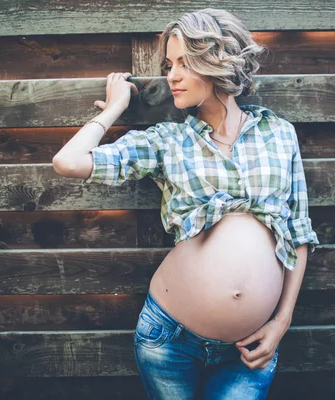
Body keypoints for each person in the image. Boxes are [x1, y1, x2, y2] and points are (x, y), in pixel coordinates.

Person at [52, 8, 319, 400]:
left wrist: (282, 322)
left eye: (184, 63)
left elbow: (297, 231)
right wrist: (114, 108)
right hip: (169, 339)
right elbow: (67, 162)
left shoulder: (279, 133)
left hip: (250, 347)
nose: (171, 75)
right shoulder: (167, 141)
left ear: (217, 60)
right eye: (168, 64)